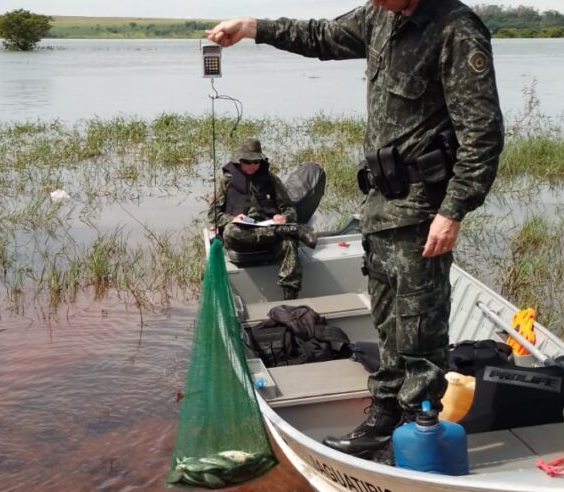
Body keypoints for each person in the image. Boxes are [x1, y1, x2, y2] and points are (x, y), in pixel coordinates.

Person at [207, 0, 504, 462]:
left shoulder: (456, 30)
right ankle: (383, 416)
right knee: (387, 318)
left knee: (420, 327)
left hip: (423, 211)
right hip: (381, 208)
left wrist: (454, 210)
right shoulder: (377, 17)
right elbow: (319, 36)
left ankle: (416, 430)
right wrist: (251, 28)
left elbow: (482, 135)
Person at [209, 137, 318, 300]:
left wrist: (284, 217)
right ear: (240, 160)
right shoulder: (227, 181)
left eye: (256, 162)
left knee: (289, 243)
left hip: (269, 228)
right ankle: (289, 231)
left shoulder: (270, 179)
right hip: (243, 235)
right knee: (231, 232)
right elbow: (213, 215)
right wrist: (231, 219)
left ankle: (290, 295)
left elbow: (289, 208)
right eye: (248, 162)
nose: (252, 166)